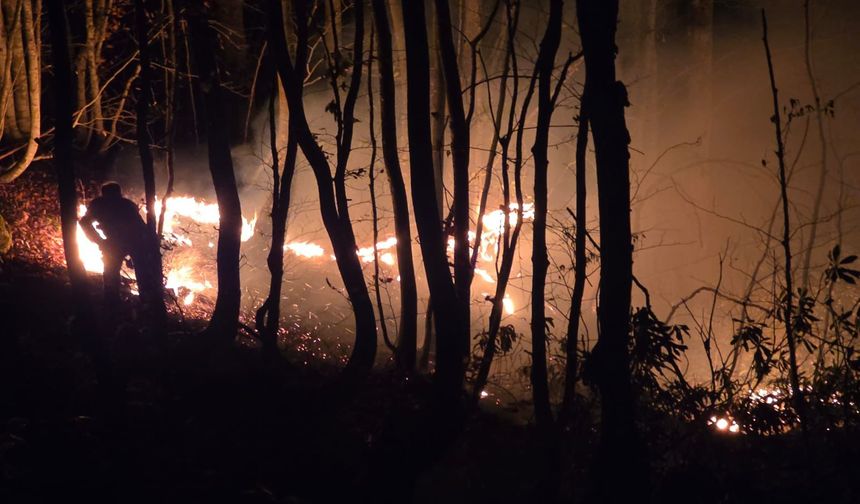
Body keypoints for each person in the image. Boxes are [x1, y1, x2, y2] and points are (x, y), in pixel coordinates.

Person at [79, 182, 165, 321]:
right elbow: (84, 222)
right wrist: (99, 241)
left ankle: (139, 302)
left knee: (130, 272)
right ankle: (116, 302)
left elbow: (139, 227)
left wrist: (100, 241)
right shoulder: (106, 204)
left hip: (131, 241)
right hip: (119, 242)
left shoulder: (118, 204)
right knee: (114, 272)